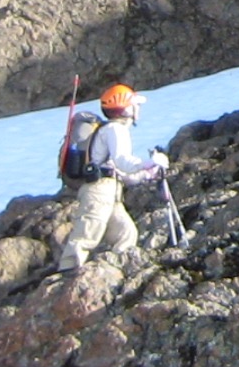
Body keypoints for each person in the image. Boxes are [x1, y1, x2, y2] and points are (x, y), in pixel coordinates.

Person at [55, 83, 163, 274]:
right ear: (124, 107)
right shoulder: (115, 129)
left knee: (126, 233)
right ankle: (68, 271)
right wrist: (149, 162)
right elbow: (122, 161)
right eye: (134, 104)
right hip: (98, 190)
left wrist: (146, 174)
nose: (137, 109)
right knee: (88, 231)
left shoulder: (111, 129)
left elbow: (120, 171)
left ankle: (115, 272)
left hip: (110, 192)